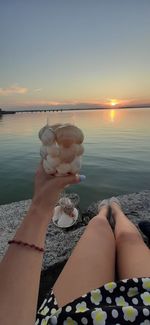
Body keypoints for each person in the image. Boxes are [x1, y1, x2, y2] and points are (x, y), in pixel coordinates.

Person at [0, 164, 150, 325]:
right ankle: (116, 210)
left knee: (100, 229)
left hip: (77, 316)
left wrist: (40, 205)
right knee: (130, 238)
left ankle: (105, 212)